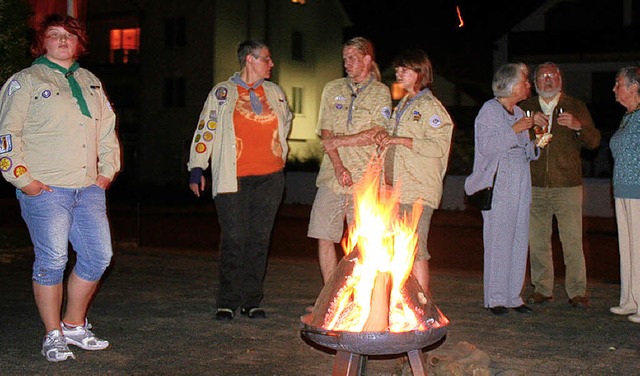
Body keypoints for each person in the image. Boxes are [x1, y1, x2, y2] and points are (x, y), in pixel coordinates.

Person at [0, 14, 121, 361]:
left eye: (69, 35)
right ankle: (52, 334)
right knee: (52, 260)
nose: (63, 40)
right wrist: (26, 181)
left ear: (80, 43)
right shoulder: (25, 81)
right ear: (42, 43)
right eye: (54, 35)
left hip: (89, 188)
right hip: (47, 189)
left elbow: (107, 132)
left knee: (99, 257)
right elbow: (7, 135)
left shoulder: (90, 81)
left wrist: (107, 173)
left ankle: (73, 324)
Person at [187, 40, 292, 321]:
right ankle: (228, 301)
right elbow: (206, 128)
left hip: (270, 178)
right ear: (249, 59)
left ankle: (252, 301)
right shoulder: (222, 92)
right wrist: (197, 167)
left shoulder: (275, 92)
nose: (271, 64)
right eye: (266, 59)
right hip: (232, 179)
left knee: (259, 240)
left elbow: (286, 122)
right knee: (234, 239)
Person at [307, 37, 392, 284]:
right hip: (332, 176)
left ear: (367, 59)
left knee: (364, 240)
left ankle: (359, 296)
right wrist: (338, 164)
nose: (347, 63)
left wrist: (340, 141)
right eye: (345, 58)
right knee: (324, 235)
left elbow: (378, 134)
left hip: (365, 178)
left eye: (353, 58)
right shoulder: (332, 88)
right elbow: (326, 132)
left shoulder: (380, 92)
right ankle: (331, 296)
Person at [519, 62, 601, 308]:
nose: (548, 80)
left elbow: (594, 141)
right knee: (538, 240)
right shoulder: (526, 108)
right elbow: (510, 139)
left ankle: (577, 291)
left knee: (572, 240)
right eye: (543, 77)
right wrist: (528, 124)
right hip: (534, 185)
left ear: (560, 80)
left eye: (553, 76)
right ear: (535, 84)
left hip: (568, 186)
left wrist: (578, 127)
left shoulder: (576, 106)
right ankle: (542, 288)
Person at [374, 48, 454, 293]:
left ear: (420, 72)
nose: (398, 72)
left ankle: (421, 306)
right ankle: (401, 300)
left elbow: (440, 145)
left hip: (416, 190)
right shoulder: (405, 104)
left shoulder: (431, 107)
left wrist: (401, 140)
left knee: (415, 248)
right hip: (396, 189)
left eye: (404, 68)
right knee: (393, 247)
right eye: (397, 68)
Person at [464, 63, 539, 315]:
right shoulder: (489, 110)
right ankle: (495, 297)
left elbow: (527, 151)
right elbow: (486, 147)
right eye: (525, 81)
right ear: (510, 84)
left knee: (519, 236)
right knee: (499, 239)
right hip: (500, 180)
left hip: (520, 176)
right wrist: (515, 130)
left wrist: (536, 140)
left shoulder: (519, 111)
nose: (529, 85)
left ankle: (514, 296)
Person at [610, 66, 640, 323]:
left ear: (634, 87)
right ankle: (630, 300)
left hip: (638, 190)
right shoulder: (628, 116)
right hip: (623, 190)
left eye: (618, 84)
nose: (614, 89)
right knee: (628, 247)